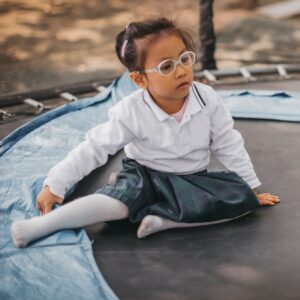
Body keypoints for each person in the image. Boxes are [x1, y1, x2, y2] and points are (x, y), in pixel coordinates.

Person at [11, 17, 280, 248]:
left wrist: (250, 186)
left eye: (184, 59)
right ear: (140, 79)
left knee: (243, 199)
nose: (181, 71)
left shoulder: (206, 98)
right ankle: (42, 225)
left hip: (191, 180)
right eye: (166, 66)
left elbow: (227, 141)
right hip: (143, 176)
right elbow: (94, 148)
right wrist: (55, 184)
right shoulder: (131, 111)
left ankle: (162, 222)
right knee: (117, 206)